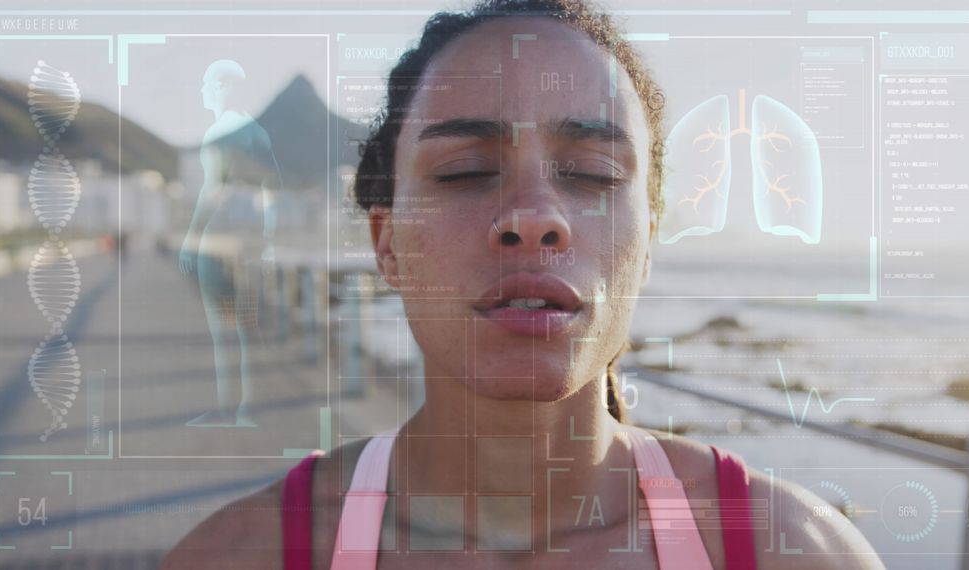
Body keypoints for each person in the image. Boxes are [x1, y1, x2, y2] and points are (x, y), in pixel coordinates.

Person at [162, 1, 884, 568]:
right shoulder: (241, 556)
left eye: (594, 174)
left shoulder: (794, 551)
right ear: (387, 245)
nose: (534, 218)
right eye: (465, 171)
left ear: (650, 241)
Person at [178, 59, 281, 427]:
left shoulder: (218, 134)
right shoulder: (260, 132)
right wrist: (266, 239)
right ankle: (245, 408)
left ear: (223, 87)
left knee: (224, 329)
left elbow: (210, 191)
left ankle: (229, 407)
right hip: (252, 243)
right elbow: (273, 190)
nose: (203, 91)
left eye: (208, 84)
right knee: (245, 325)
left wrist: (190, 239)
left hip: (219, 243)